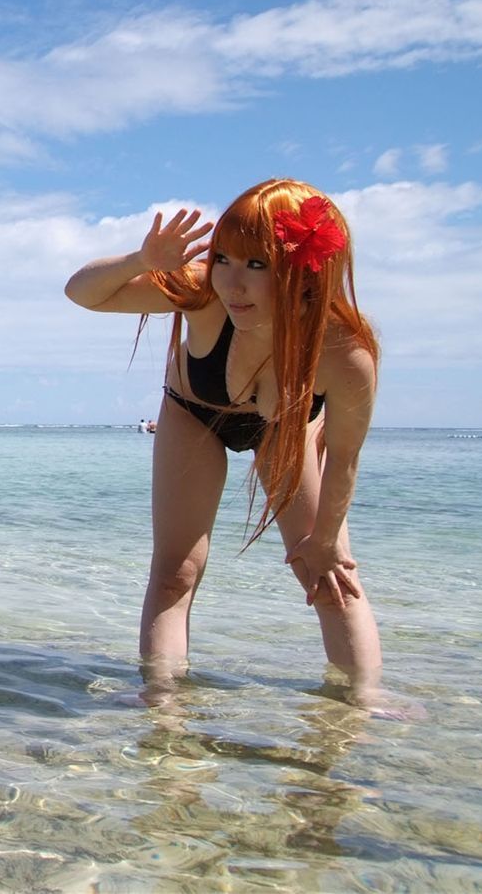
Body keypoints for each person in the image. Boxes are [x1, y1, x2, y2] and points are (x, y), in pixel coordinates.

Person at [64, 178, 382, 707]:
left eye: (258, 265)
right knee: (174, 574)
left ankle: (359, 710)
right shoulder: (202, 290)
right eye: (225, 259)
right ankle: (162, 708)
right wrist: (138, 259)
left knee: (327, 573)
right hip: (194, 415)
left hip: (285, 429)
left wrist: (325, 538)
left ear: (305, 269)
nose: (234, 284)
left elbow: (345, 456)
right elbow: (83, 293)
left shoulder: (343, 350)